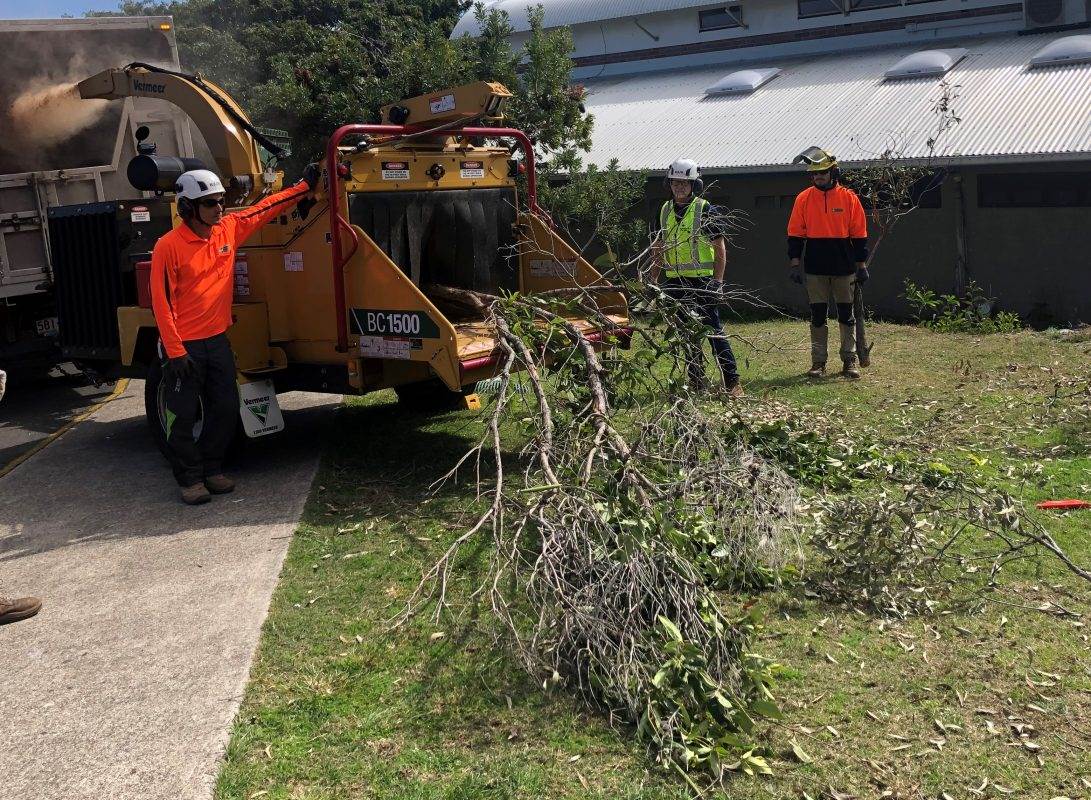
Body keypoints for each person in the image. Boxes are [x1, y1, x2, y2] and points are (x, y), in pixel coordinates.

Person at [151, 166, 318, 505]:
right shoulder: (167, 247)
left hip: (217, 342)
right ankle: (190, 479)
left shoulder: (228, 229)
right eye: (210, 203)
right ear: (187, 208)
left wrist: (304, 186)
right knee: (180, 416)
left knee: (225, 408)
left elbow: (265, 207)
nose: (219, 208)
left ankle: (212, 469)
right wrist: (175, 350)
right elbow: (162, 302)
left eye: (221, 201)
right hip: (184, 348)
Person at [650, 158, 742, 396]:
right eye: (674, 183)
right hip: (674, 282)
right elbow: (658, 248)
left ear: (694, 184)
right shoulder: (664, 210)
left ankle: (732, 382)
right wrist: (652, 280)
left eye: (684, 183)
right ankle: (697, 381)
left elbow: (720, 247)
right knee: (686, 333)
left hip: (702, 281)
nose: (679, 187)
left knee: (713, 331)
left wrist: (718, 283)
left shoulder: (704, 209)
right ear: (668, 184)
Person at [786, 147, 869, 380]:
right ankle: (818, 363)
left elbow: (860, 235)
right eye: (814, 174)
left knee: (846, 315)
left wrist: (861, 266)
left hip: (844, 268)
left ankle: (849, 360)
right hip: (815, 268)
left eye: (822, 172)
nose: (818, 177)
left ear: (834, 172)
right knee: (818, 316)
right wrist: (795, 265)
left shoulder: (849, 198)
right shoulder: (803, 199)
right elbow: (795, 235)